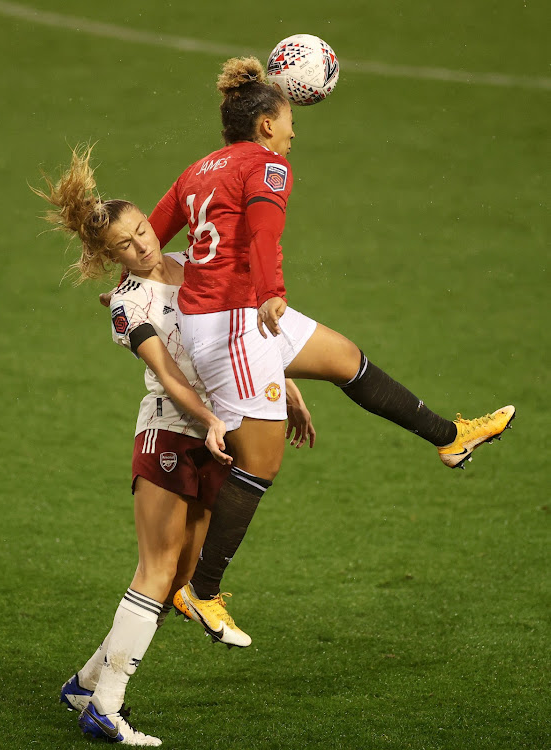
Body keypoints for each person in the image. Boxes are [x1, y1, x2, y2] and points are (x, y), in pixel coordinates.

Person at [143, 56, 515, 641]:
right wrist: (271, 293)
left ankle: (450, 437)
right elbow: (266, 234)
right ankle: (202, 591)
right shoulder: (267, 167)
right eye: (289, 117)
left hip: (233, 313)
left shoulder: (197, 170)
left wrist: (123, 275)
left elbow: (150, 235)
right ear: (266, 124)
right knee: (261, 462)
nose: (294, 129)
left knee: (345, 358)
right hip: (235, 322)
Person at [33, 145, 313, 745]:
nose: (141, 247)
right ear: (108, 259)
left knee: (183, 570)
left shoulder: (192, 261)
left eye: (141, 231)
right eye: (125, 247)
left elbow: (238, 332)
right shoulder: (129, 306)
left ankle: (85, 681)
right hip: (169, 430)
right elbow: (170, 375)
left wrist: (283, 385)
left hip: (214, 433)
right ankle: (106, 706)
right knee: (158, 569)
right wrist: (212, 419)